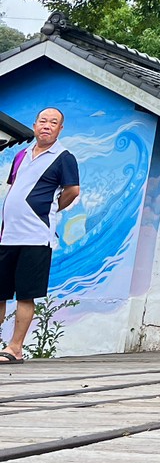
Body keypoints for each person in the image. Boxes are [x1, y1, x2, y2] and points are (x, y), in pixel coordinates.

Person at [0, 107, 80, 364]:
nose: (47, 125)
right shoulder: (21, 155)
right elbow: (15, 189)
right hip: (8, 234)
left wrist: (51, 208)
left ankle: (15, 348)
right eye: (43, 121)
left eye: (53, 122)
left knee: (25, 293)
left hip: (36, 236)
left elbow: (72, 190)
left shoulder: (64, 157)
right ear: (34, 125)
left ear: (60, 129)